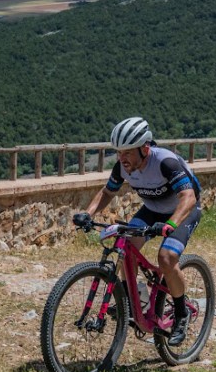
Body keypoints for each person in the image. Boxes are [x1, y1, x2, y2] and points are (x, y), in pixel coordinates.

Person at [72, 117, 203, 346]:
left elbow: (188, 197)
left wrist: (170, 225)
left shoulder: (166, 162)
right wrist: (88, 214)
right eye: (119, 153)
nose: (123, 159)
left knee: (167, 257)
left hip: (183, 211)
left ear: (144, 148)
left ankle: (182, 314)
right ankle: (134, 301)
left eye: (128, 153)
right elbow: (107, 193)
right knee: (126, 248)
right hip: (152, 210)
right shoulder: (122, 166)